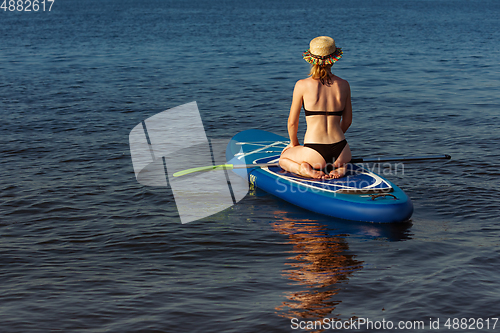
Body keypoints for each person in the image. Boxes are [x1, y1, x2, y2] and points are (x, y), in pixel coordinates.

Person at [279, 36, 352, 179]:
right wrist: (335, 138)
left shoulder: (302, 85)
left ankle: (305, 170)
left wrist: (294, 144)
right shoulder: (344, 85)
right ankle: (341, 167)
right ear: (334, 59)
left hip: (314, 151)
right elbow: (348, 120)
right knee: (341, 160)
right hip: (342, 149)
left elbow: (292, 123)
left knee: (283, 159)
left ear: (311, 59)